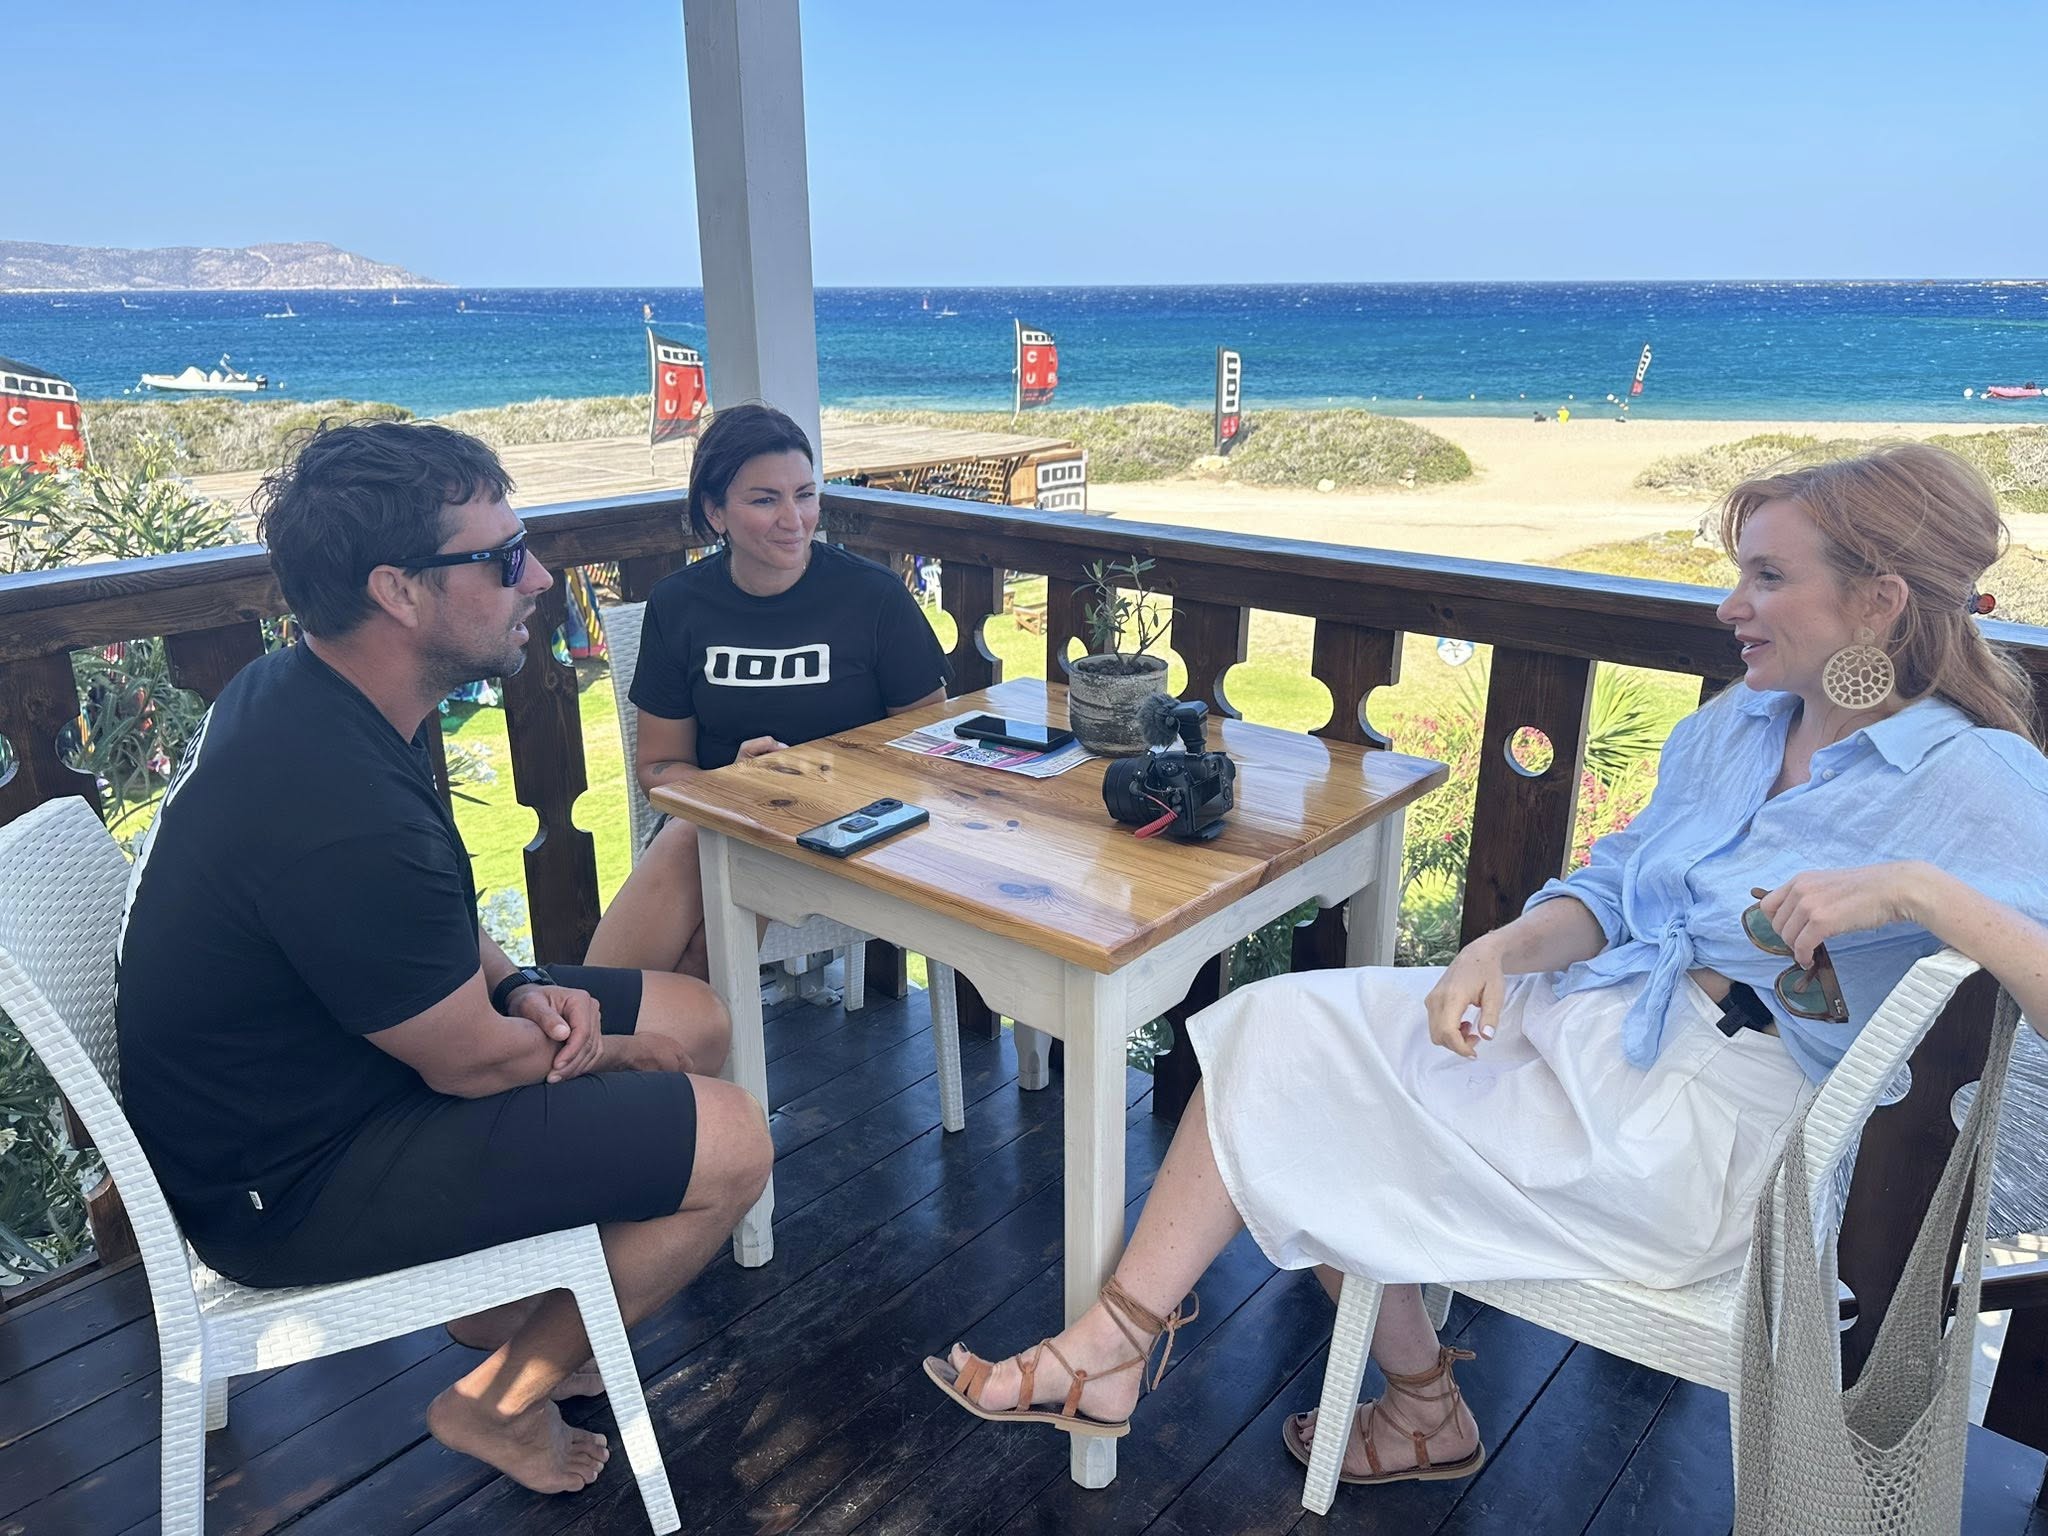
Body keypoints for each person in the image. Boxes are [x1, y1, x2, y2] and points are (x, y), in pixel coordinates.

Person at [923, 442, 2048, 1490]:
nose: (1728, 607)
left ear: (1876, 601)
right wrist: (1499, 948)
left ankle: (1343, 1390)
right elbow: (1615, 891)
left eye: (1766, 577)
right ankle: (1148, 1355)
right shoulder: (1740, 728)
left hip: (1699, 1136)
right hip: (1592, 1038)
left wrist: (1921, 892)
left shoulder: (1971, 777)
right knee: (1275, 1029)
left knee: (1318, 1092)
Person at [116, 421, 774, 1498]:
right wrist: (611, 1056)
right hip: (291, 1180)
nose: (540, 578)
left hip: (343, 1062)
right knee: (734, 1139)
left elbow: (430, 923)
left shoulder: (312, 689)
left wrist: (521, 984)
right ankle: (495, 1400)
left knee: (693, 1017)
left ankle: (511, 1300)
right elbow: (470, 1064)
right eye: (503, 557)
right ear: (399, 592)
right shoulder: (334, 803)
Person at [584, 402, 949, 976]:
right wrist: (738, 786)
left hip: (852, 825)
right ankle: (624, 1024)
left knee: (700, 863)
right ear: (715, 512)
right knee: (708, 868)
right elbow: (658, 766)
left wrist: (813, 782)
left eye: (804, 494)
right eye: (764, 500)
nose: (794, 519)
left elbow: (927, 747)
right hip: (723, 821)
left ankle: (593, 1017)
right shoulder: (679, 604)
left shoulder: (872, 597)